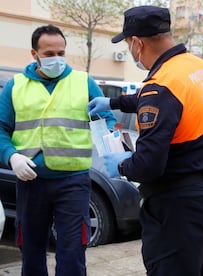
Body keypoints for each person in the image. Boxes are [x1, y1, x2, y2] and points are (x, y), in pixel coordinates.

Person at [87, 5, 203, 276]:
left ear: (137, 43)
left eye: (128, 44)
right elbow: (171, 101)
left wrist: (122, 165)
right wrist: (114, 102)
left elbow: (149, 165)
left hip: (177, 208)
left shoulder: (161, 84)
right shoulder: (196, 67)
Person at [0, 24, 116, 276]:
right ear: (34, 54)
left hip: (72, 183)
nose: (57, 59)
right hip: (31, 183)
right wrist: (12, 156)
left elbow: (106, 119)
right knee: (31, 255)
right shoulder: (15, 86)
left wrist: (113, 148)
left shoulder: (83, 83)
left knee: (72, 256)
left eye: (61, 53)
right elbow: (0, 130)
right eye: (49, 54)